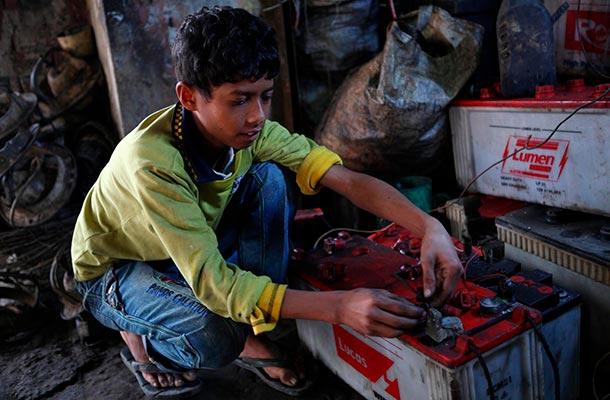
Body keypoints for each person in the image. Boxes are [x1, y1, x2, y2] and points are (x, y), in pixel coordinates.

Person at [71, 6, 463, 399]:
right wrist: (338, 308)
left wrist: (431, 228)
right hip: (118, 268)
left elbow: (345, 179)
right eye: (240, 100)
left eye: (266, 96)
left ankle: (257, 325)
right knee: (215, 334)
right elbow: (214, 285)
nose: (257, 116)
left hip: (180, 246)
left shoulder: (253, 132)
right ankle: (143, 341)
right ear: (189, 97)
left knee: (270, 179)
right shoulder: (153, 163)